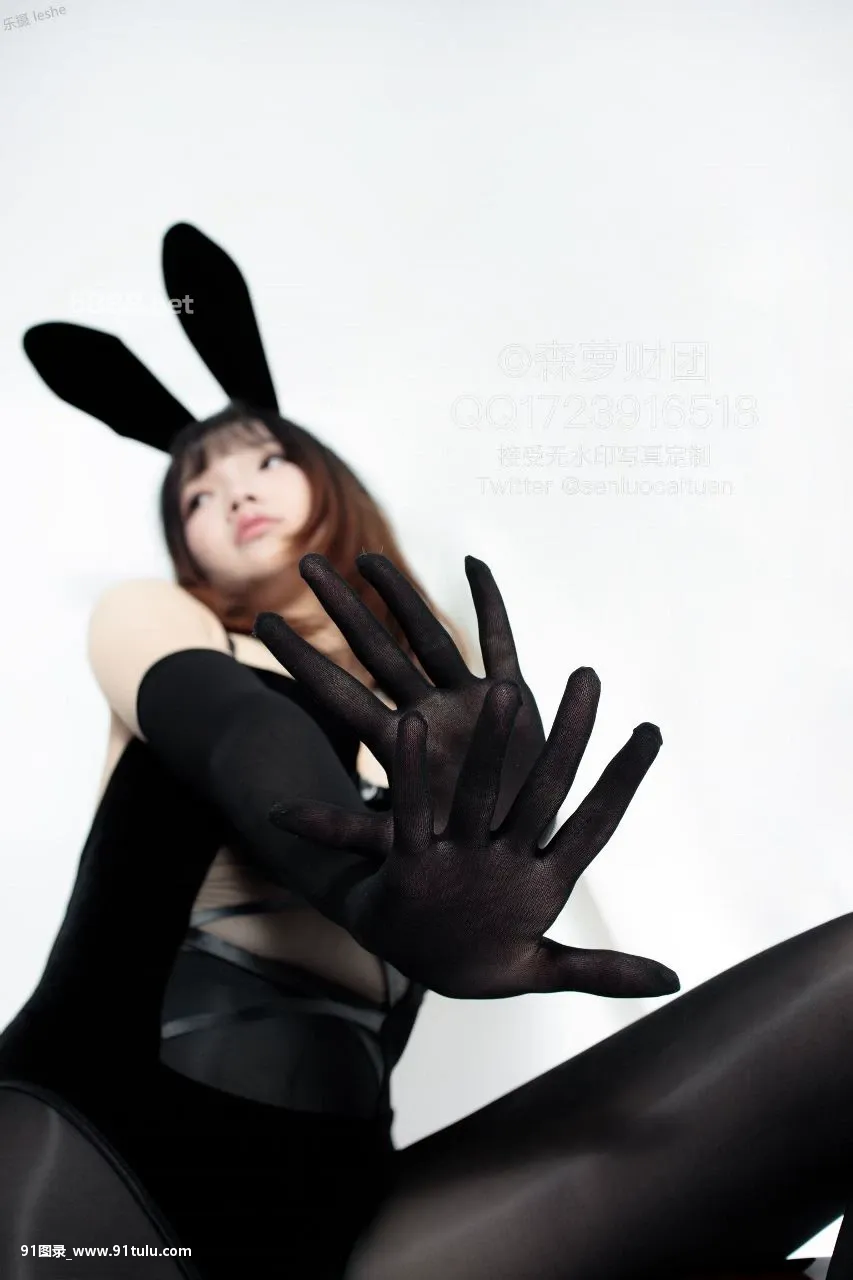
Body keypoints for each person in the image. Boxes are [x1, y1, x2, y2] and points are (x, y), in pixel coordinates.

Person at [4, 221, 851, 1280]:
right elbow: (235, 727)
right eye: (196, 496)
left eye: (264, 456)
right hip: (89, 1153)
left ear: (326, 477)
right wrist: (362, 892)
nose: (234, 491)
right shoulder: (154, 618)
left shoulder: (443, 709)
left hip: (336, 1211)